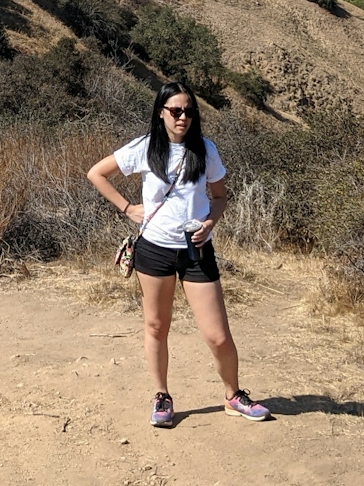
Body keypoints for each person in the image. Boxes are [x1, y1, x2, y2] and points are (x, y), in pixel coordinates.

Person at [86, 81, 270, 428]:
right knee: (156, 326)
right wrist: (127, 208)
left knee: (217, 334)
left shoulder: (205, 149)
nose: (182, 117)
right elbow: (96, 173)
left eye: (188, 111)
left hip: (196, 249)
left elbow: (219, 196)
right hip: (154, 249)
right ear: (161, 113)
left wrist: (210, 223)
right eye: (175, 110)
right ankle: (162, 396)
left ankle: (233, 396)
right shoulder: (145, 148)